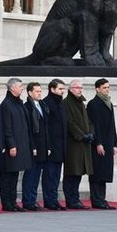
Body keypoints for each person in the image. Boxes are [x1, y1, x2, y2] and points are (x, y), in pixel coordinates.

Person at [0, 78, 33, 212]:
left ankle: (12, 202)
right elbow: (7, 127)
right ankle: (7, 202)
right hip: (11, 146)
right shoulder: (6, 104)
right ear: (12, 88)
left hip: (21, 144)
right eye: (20, 86)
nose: (22, 88)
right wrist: (11, 145)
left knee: (14, 175)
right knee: (7, 175)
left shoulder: (19, 103)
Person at [87, 78, 117, 210]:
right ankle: (96, 200)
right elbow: (95, 125)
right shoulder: (93, 104)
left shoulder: (109, 103)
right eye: (104, 87)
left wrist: (114, 143)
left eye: (108, 87)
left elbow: (113, 125)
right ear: (97, 89)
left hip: (108, 142)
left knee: (104, 173)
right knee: (97, 172)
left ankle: (102, 199)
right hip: (98, 143)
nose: (107, 89)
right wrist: (98, 143)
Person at [62, 79, 93, 210]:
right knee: (71, 173)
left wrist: (91, 132)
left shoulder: (81, 103)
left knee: (79, 173)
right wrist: (81, 135)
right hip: (73, 144)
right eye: (77, 87)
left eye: (81, 87)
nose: (80, 89)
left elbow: (88, 121)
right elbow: (70, 123)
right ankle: (71, 199)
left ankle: (75, 199)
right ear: (70, 89)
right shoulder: (66, 103)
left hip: (83, 144)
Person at [22, 82, 50, 211]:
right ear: (29, 92)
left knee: (37, 175)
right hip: (33, 147)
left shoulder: (43, 106)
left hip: (43, 147)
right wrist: (32, 147)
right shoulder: (27, 107)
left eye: (40, 91)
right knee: (31, 175)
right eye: (37, 91)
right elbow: (28, 129)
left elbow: (46, 128)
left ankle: (33, 200)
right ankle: (28, 201)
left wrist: (48, 146)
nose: (40, 93)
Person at [42, 79, 68, 210]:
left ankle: (54, 199)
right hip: (51, 146)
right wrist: (48, 146)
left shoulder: (61, 104)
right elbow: (46, 127)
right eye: (60, 89)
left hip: (60, 146)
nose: (62, 92)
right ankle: (49, 201)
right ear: (52, 89)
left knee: (56, 176)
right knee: (49, 175)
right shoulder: (46, 103)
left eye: (63, 89)